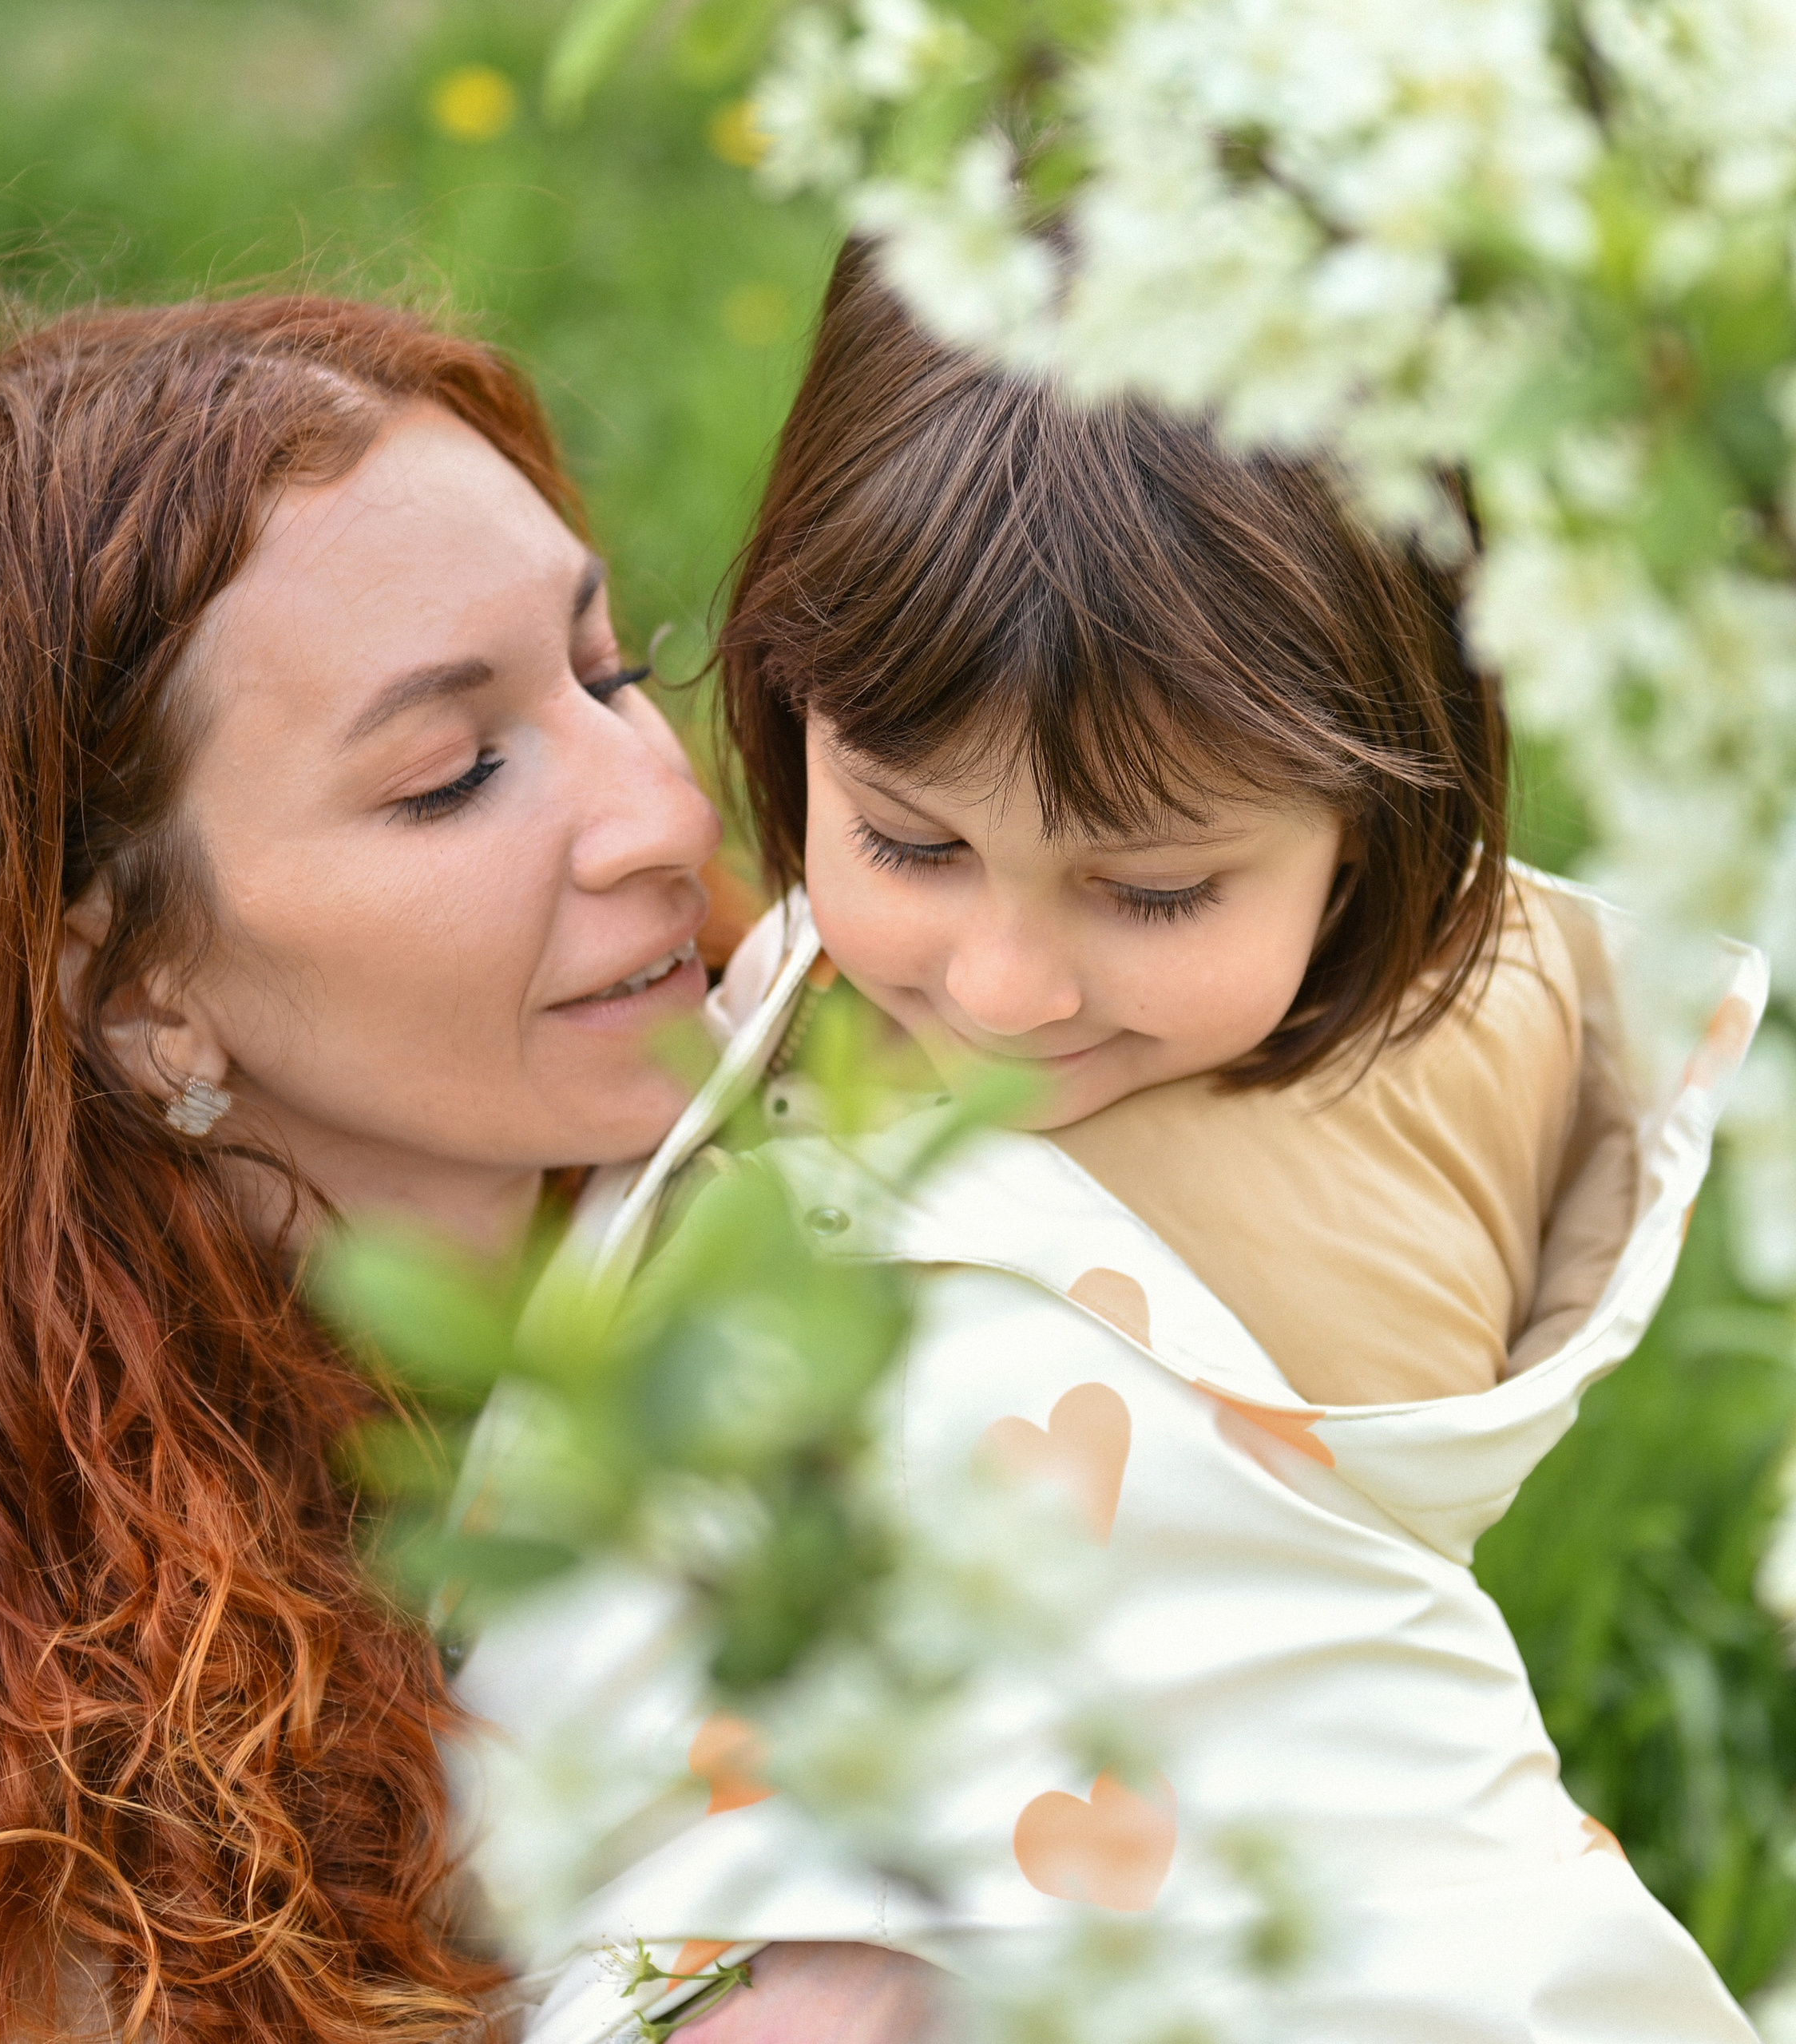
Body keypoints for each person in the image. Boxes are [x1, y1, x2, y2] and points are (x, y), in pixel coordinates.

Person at [463, 244, 1766, 2041]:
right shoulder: (806, 1013)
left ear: (1378, 828)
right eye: (910, 843)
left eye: (1150, 891)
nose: (1003, 989)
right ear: (780, 697)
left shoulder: (1386, 1143)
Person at [0, 295, 725, 2044]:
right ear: (137, 995)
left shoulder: (941, 1173)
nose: (669, 812)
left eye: (609, 673)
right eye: (454, 775)